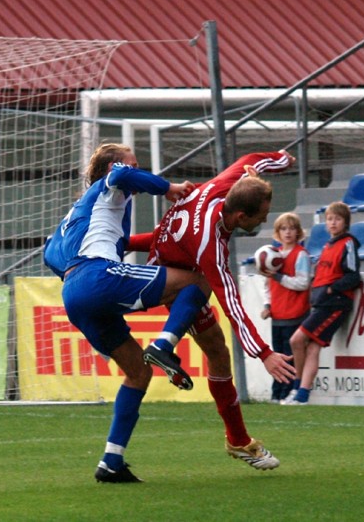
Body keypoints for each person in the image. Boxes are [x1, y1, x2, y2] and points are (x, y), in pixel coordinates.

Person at [44, 142, 212, 483]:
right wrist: (171, 189)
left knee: (137, 372)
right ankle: (165, 345)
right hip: (98, 277)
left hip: (73, 294)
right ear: (113, 170)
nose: (137, 171)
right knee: (196, 281)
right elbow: (122, 174)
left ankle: (111, 461)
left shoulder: (78, 214)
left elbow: (51, 255)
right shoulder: (111, 183)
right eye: (134, 165)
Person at [129, 150, 296, 470]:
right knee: (207, 304)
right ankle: (165, 345)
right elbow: (231, 302)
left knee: (218, 351)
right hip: (170, 282)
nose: (264, 221)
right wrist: (264, 353)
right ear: (239, 217)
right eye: (261, 216)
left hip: (171, 250)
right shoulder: (210, 246)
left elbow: (252, 160)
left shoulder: (229, 184)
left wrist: (282, 158)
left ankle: (237, 439)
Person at [282, 201, 362, 406]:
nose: (333, 222)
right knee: (311, 347)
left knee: (296, 340)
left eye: (337, 219)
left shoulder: (348, 243)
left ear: (345, 222)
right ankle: (301, 393)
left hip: (335, 304)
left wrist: (332, 289)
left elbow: (353, 276)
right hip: (323, 303)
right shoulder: (328, 245)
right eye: (329, 219)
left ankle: (299, 388)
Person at [259, 212, 311, 403]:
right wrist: (267, 305)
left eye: (292, 228)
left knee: (290, 357)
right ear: (277, 233)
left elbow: (303, 283)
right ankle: (277, 393)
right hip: (278, 315)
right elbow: (267, 285)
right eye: (283, 229)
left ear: (298, 232)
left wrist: (279, 277)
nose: (288, 232)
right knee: (277, 356)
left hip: (296, 314)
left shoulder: (301, 255)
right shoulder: (272, 254)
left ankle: (289, 392)